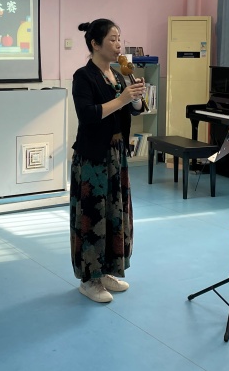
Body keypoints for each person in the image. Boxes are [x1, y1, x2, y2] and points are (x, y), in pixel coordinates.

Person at [70, 18, 146, 303]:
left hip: (116, 153)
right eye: (112, 39)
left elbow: (134, 110)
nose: (118, 45)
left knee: (115, 214)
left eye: (119, 39)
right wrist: (123, 99)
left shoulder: (117, 74)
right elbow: (88, 115)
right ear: (95, 44)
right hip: (93, 157)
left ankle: (106, 272)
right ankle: (89, 279)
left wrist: (135, 98)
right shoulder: (83, 76)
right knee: (93, 216)